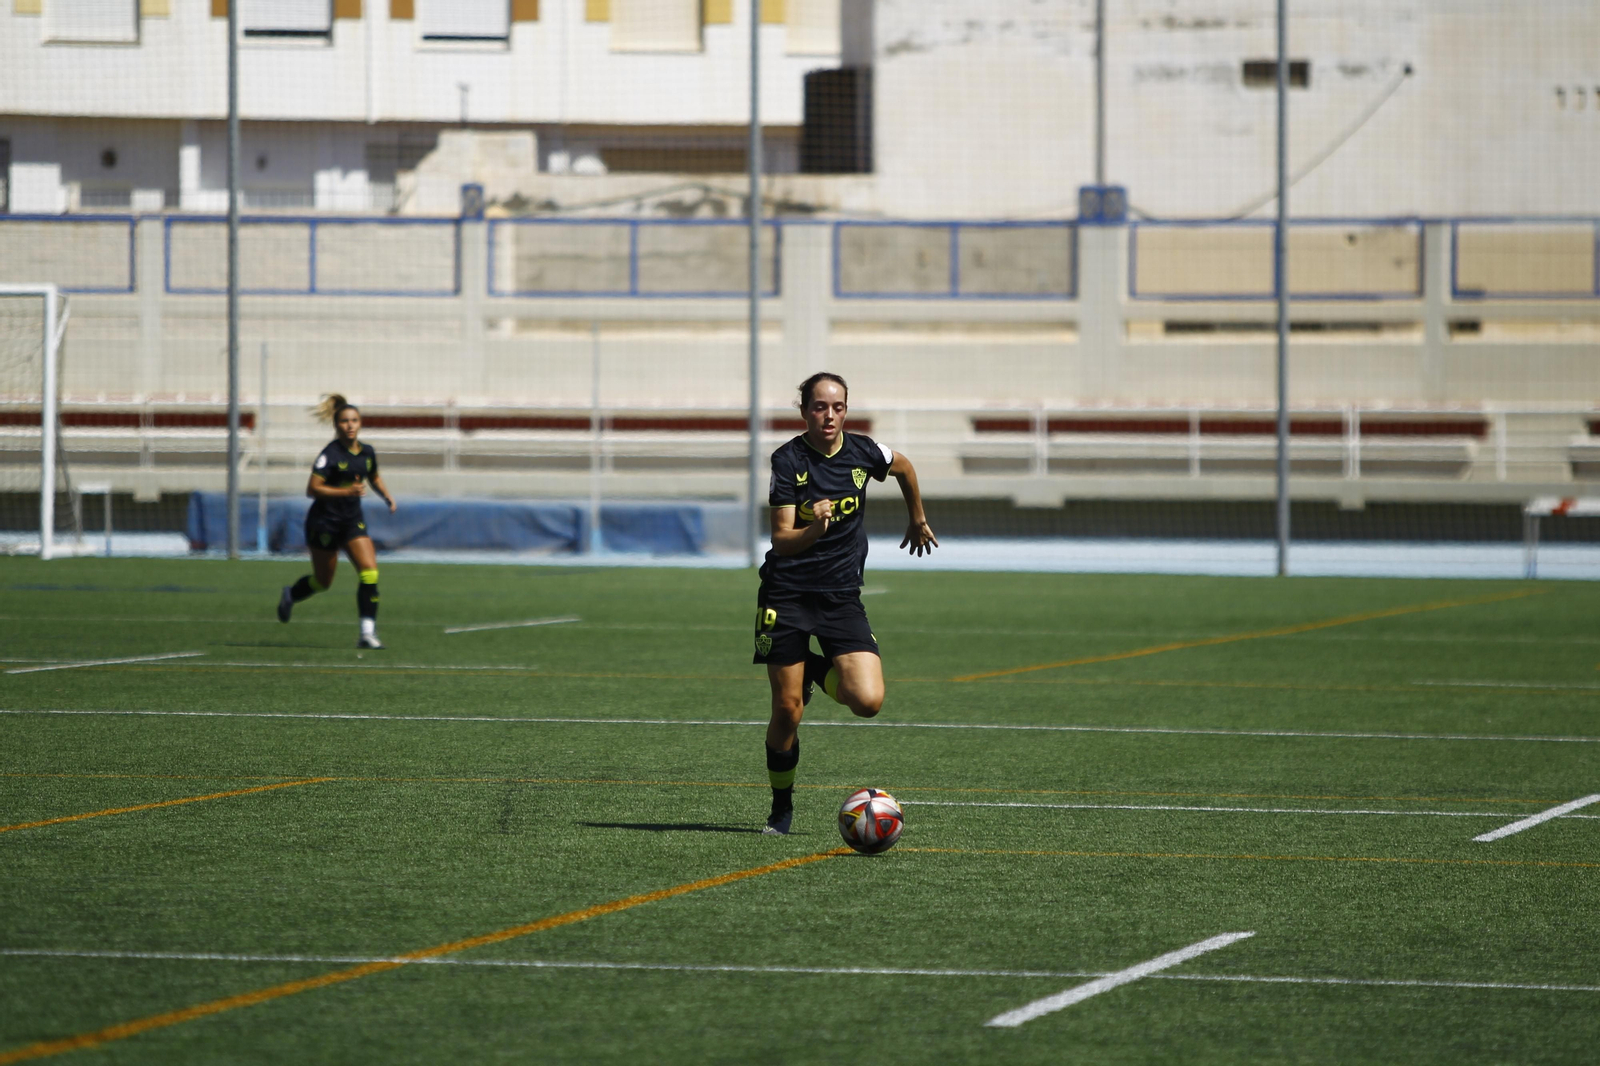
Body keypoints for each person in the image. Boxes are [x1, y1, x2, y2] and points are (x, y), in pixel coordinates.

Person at [753, 372, 937, 835]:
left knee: (869, 700)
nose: (829, 415)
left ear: (846, 411)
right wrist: (815, 526)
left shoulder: (865, 452)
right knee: (788, 710)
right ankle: (781, 809)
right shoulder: (787, 460)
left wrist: (917, 517)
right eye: (819, 406)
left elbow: (906, 467)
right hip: (787, 594)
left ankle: (814, 669)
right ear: (804, 412)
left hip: (840, 596)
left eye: (837, 407)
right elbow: (781, 540)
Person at [276, 394, 396, 649]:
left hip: (352, 521)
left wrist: (386, 496)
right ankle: (291, 594)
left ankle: (367, 634)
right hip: (324, 522)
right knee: (322, 582)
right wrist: (346, 492)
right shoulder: (329, 454)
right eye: (344, 421)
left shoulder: (367, 452)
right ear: (336, 425)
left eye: (354, 420)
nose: (350, 425)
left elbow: (373, 476)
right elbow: (312, 489)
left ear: (360, 423)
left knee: (370, 572)